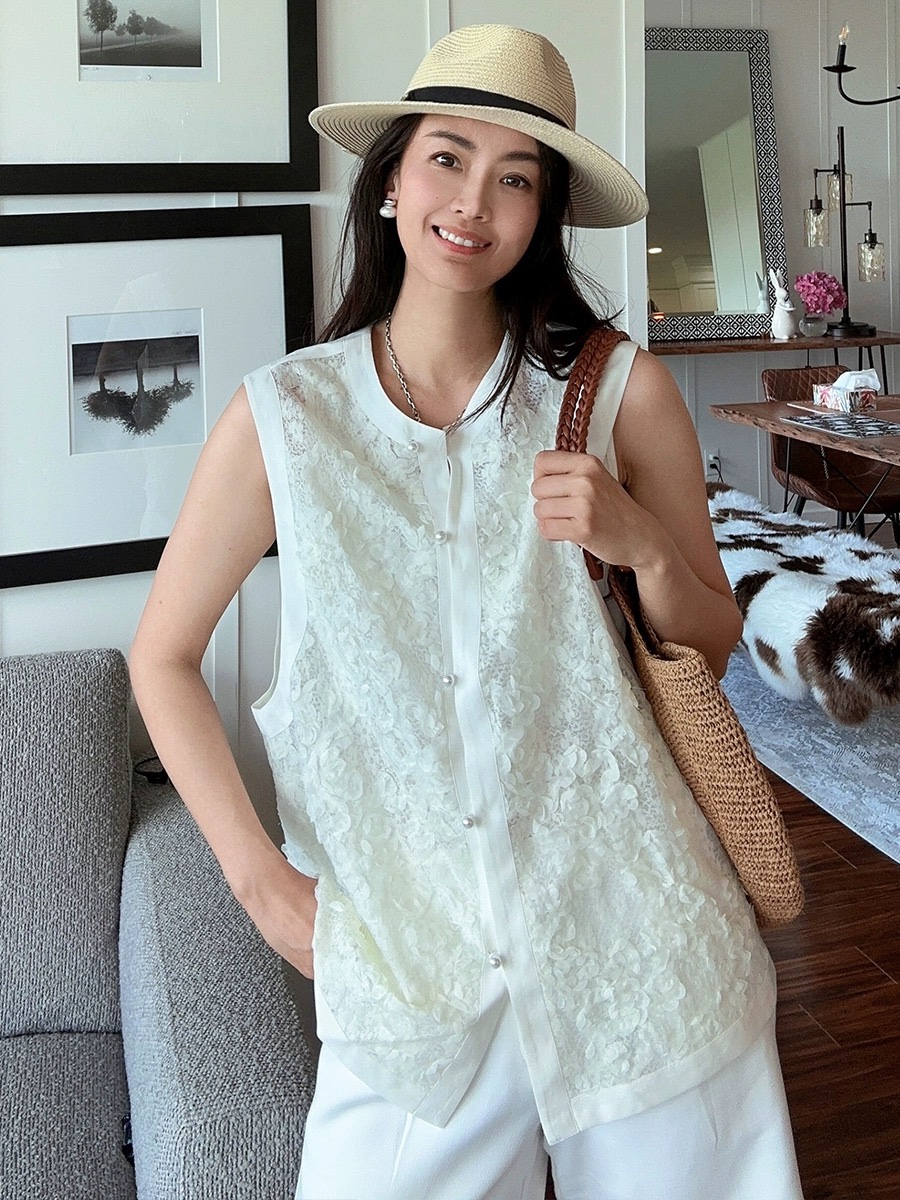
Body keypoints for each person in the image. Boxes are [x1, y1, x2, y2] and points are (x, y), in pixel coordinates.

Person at [130, 24, 804, 1200]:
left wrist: (639, 542)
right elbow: (163, 657)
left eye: (517, 179)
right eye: (448, 157)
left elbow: (711, 635)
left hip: (643, 956)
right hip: (414, 987)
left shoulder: (620, 393)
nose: (474, 203)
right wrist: (261, 885)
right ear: (392, 178)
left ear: (544, 214)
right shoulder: (284, 419)